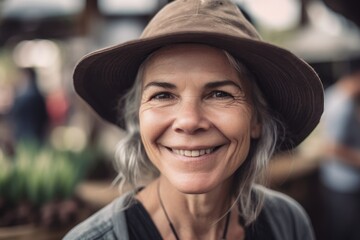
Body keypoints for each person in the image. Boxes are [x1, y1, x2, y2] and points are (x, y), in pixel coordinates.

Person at [64, 0, 323, 239]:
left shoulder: (287, 224)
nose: (189, 121)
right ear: (138, 117)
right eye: (163, 95)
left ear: (256, 119)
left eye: (219, 94)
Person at [319, 68, 360, 240]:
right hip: (343, 181)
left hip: (335, 178)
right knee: (344, 230)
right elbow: (330, 147)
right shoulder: (342, 106)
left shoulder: (334, 94)